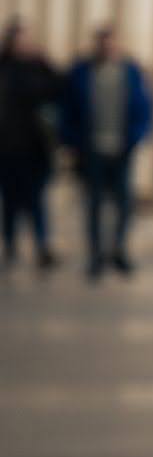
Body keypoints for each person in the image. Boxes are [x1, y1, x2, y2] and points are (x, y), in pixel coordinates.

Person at [58, 25, 153, 280]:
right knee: (94, 203)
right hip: (91, 149)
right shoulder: (80, 72)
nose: (107, 47)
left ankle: (118, 249)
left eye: (112, 43)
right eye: (103, 43)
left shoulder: (131, 72)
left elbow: (145, 106)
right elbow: (67, 109)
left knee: (124, 204)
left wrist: (138, 136)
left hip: (122, 148)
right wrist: (70, 140)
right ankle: (96, 255)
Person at [0, 20, 63, 271]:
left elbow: (59, 88)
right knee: (10, 201)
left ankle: (42, 245)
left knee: (37, 199)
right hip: (6, 146)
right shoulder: (3, 68)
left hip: (35, 147)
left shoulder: (39, 67)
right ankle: (11, 245)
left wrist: (43, 60)